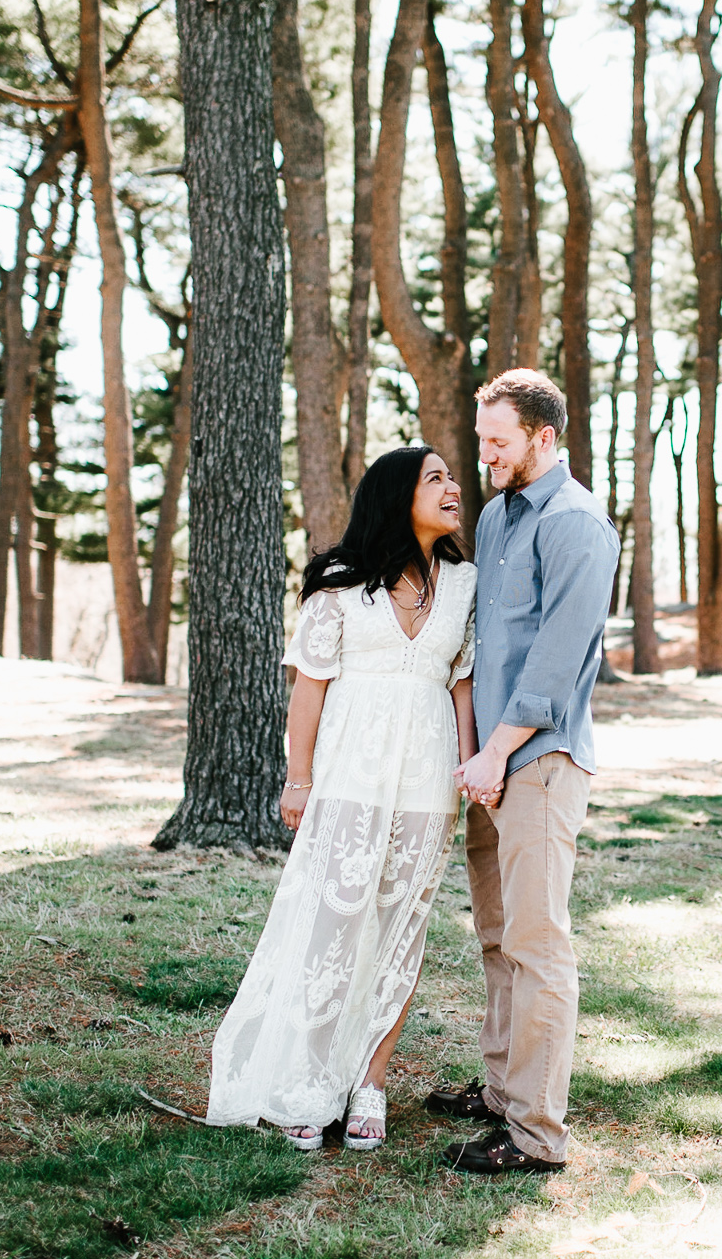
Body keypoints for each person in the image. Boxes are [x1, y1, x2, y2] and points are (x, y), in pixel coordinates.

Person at [205, 447, 479, 1151]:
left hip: (426, 785)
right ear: (396, 495)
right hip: (348, 780)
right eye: (436, 478)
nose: (453, 487)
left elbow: (462, 686)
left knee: (398, 935)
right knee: (329, 932)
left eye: (453, 477)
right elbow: (310, 686)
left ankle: (370, 1083)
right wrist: (298, 778)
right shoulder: (340, 584)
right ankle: (304, 1082)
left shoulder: (466, 583)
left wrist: (470, 768)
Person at [431, 369, 619, 1175]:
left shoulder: (578, 524)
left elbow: (554, 660)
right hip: (489, 765)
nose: (484, 454)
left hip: (536, 762)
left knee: (539, 943)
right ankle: (503, 1090)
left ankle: (536, 1134)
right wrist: (475, 757)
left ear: (543, 437)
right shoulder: (501, 516)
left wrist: (497, 752)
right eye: (481, 439)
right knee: (499, 937)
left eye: (497, 440)